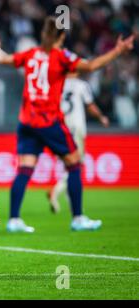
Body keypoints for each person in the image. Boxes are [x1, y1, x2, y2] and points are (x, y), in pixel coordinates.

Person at [0, 16, 134, 232]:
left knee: (25, 169)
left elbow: (2, 59)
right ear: (62, 36)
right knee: (74, 164)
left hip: (27, 122)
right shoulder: (61, 56)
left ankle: (14, 220)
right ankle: (77, 217)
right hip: (48, 121)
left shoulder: (31, 54)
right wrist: (118, 50)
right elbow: (92, 65)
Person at [47, 73, 110, 213]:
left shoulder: (56, 84)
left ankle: (74, 208)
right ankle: (57, 192)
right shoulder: (81, 85)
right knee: (75, 168)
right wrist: (101, 117)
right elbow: (90, 105)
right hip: (76, 129)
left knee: (70, 167)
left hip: (60, 129)